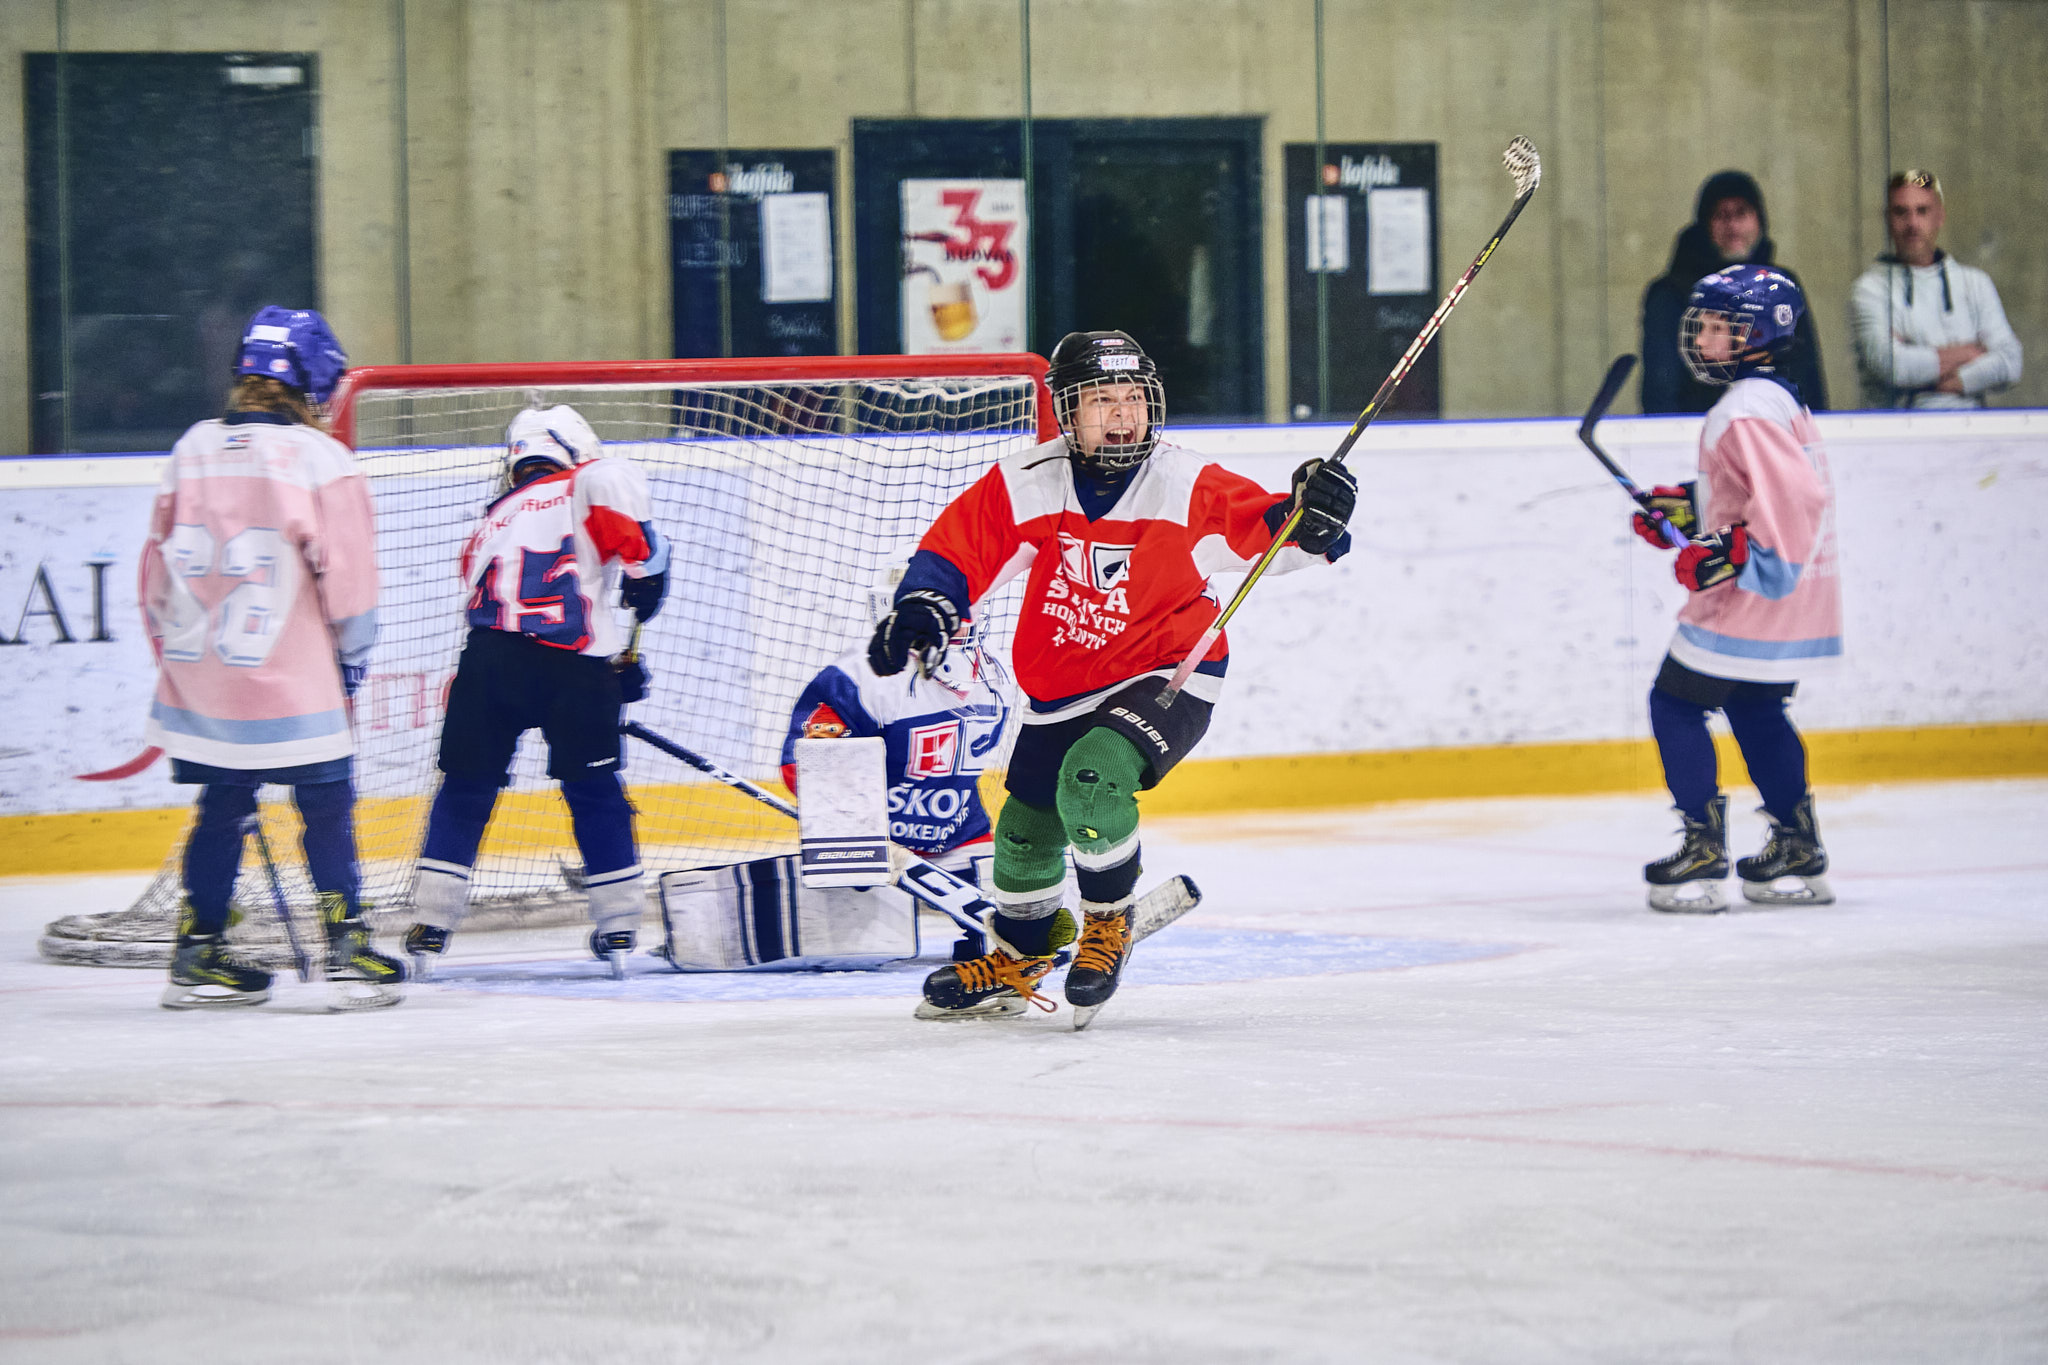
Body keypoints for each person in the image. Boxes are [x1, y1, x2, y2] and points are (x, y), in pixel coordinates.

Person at [869, 330, 1356, 1018]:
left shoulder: (1182, 482)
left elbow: (1272, 529)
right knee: (1021, 834)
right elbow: (961, 548)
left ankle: (1107, 921)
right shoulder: (1033, 481)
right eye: (1102, 400)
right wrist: (926, 605)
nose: (1124, 414)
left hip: (1169, 671)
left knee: (1091, 779)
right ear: (1068, 412)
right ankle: (1020, 954)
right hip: (1062, 683)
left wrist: (1317, 515)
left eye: (1134, 398)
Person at [143, 306, 404, 1009]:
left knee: (222, 802)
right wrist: (352, 657)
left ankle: (196, 953)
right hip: (293, 680)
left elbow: (155, 575)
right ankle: (346, 943)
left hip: (203, 677)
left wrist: (182, 658)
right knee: (325, 802)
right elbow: (348, 584)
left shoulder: (190, 446)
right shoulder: (321, 459)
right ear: (315, 381)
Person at [402, 405, 669, 977]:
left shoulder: (492, 519)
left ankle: (431, 917)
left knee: (466, 789)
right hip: (572, 667)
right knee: (594, 787)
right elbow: (636, 546)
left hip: (488, 662)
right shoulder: (588, 479)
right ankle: (619, 920)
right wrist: (646, 588)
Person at [1633, 266, 1840, 914]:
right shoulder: (1775, 398)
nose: (1702, 334)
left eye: (1719, 324)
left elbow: (1795, 498)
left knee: (1673, 702)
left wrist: (1737, 554)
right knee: (1755, 707)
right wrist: (1689, 510)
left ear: (1756, 334)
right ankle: (1797, 845)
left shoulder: (1742, 407)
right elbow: (1754, 491)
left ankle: (1702, 847)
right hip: (1792, 598)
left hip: (1755, 595)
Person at [779, 561, 1014, 961]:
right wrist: (860, 834)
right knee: (855, 952)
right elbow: (804, 768)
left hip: (960, 833)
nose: (954, 623)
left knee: (1028, 913)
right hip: (874, 844)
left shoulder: (992, 676)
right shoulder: (857, 676)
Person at [1640, 171, 1828, 414]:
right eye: (1721, 215)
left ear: (1759, 221)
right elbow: (1660, 391)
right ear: (1705, 225)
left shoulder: (1781, 287)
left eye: (1742, 213)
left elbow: (1808, 379)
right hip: (1698, 437)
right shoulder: (1672, 294)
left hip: (1777, 438)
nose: (1733, 226)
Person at [1849, 169, 2023, 409]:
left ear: (1939, 216)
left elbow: (2010, 363)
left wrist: (1951, 381)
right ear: (1887, 219)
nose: (1912, 223)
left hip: (1972, 431)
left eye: (1922, 211)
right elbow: (1892, 366)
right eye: (1901, 212)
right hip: (1897, 435)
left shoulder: (1974, 283)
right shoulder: (1870, 289)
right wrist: (1970, 353)